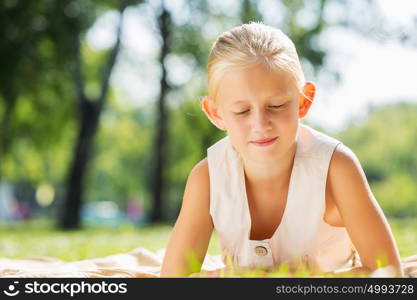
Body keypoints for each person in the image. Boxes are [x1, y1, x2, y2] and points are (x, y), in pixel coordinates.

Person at [160, 22, 406, 277]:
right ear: (216, 113)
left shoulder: (336, 167)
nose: (260, 124)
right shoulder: (207, 178)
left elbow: (388, 274)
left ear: (303, 101)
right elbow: (172, 279)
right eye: (242, 111)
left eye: (276, 105)